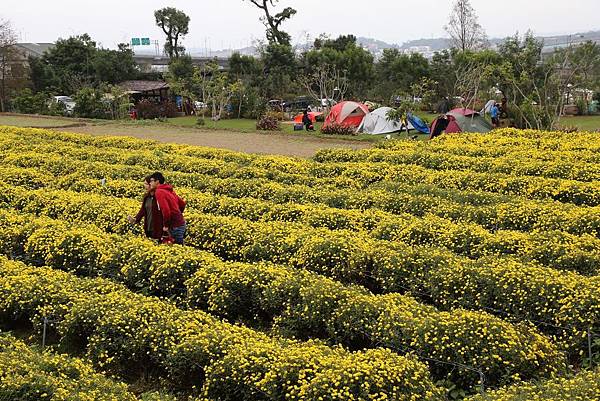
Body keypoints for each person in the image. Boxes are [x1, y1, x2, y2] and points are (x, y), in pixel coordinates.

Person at [148, 172, 187, 245]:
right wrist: (178, 215)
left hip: (175, 226)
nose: (150, 183)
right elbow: (182, 204)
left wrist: (166, 225)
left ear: (157, 181)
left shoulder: (159, 192)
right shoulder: (169, 190)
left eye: (151, 181)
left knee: (176, 251)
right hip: (181, 224)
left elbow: (166, 211)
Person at [128, 176, 163, 241]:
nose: (145, 186)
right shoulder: (147, 197)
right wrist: (135, 219)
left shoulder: (159, 196)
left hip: (159, 230)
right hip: (148, 229)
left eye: (147, 184)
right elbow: (143, 211)